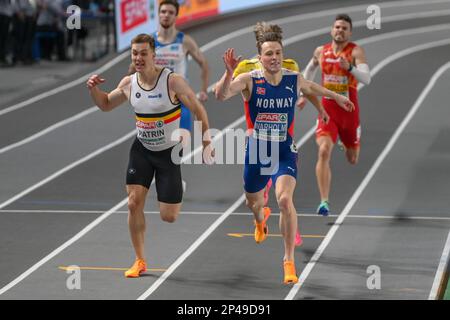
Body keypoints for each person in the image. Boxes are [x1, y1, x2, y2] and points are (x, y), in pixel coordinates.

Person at [215, 22, 353, 284]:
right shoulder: (249, 79)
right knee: (253, 203)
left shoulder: (293, 77)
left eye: (278, 52)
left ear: (283, 53)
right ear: (260, 57)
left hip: (283, 151)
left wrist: (334, 99)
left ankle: (288, 260)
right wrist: (228, 73)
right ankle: (259, 219)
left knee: (285, 200)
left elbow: (312, 88)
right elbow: (220, 95)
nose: (274, 58)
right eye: (269, 53)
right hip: (257, 152)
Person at [87, 33, 213, 278]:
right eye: (135, 53)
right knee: (133, 203)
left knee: (169, 217)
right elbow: (104, 104)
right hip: (142, 150)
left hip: (167, 154)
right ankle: (140, 260)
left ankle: (178, 188)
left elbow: (199, 110)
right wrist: (94, 89)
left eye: (144, 53)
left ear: (154, 55)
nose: (139, 58)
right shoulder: (128, 83)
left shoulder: (172, 82)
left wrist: (207, 141)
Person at [303, 14, 371, 216]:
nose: (340, 30)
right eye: (337, 27)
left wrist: (349, 67)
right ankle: (324, 201)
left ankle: (347, 141)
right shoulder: (321, 51)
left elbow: (367, 78)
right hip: (327, 111)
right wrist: (303, 94)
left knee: (352, 159)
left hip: (349, 112)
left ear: (350, 33)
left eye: (344, 28)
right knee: (323, 151)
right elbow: (309, 70)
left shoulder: (355, 51)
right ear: (332, 30)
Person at [128, 0, 209, 132]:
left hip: (180, 99)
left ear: (176, 16)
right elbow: (133, 68)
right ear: (158, 15)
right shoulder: (149, 42)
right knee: (158, 144)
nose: (166, 15)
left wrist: (204, 90)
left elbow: (204, 64)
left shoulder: (185, 41)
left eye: (170, 12)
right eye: (163, 12)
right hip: (155, 99)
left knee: (180, 145)